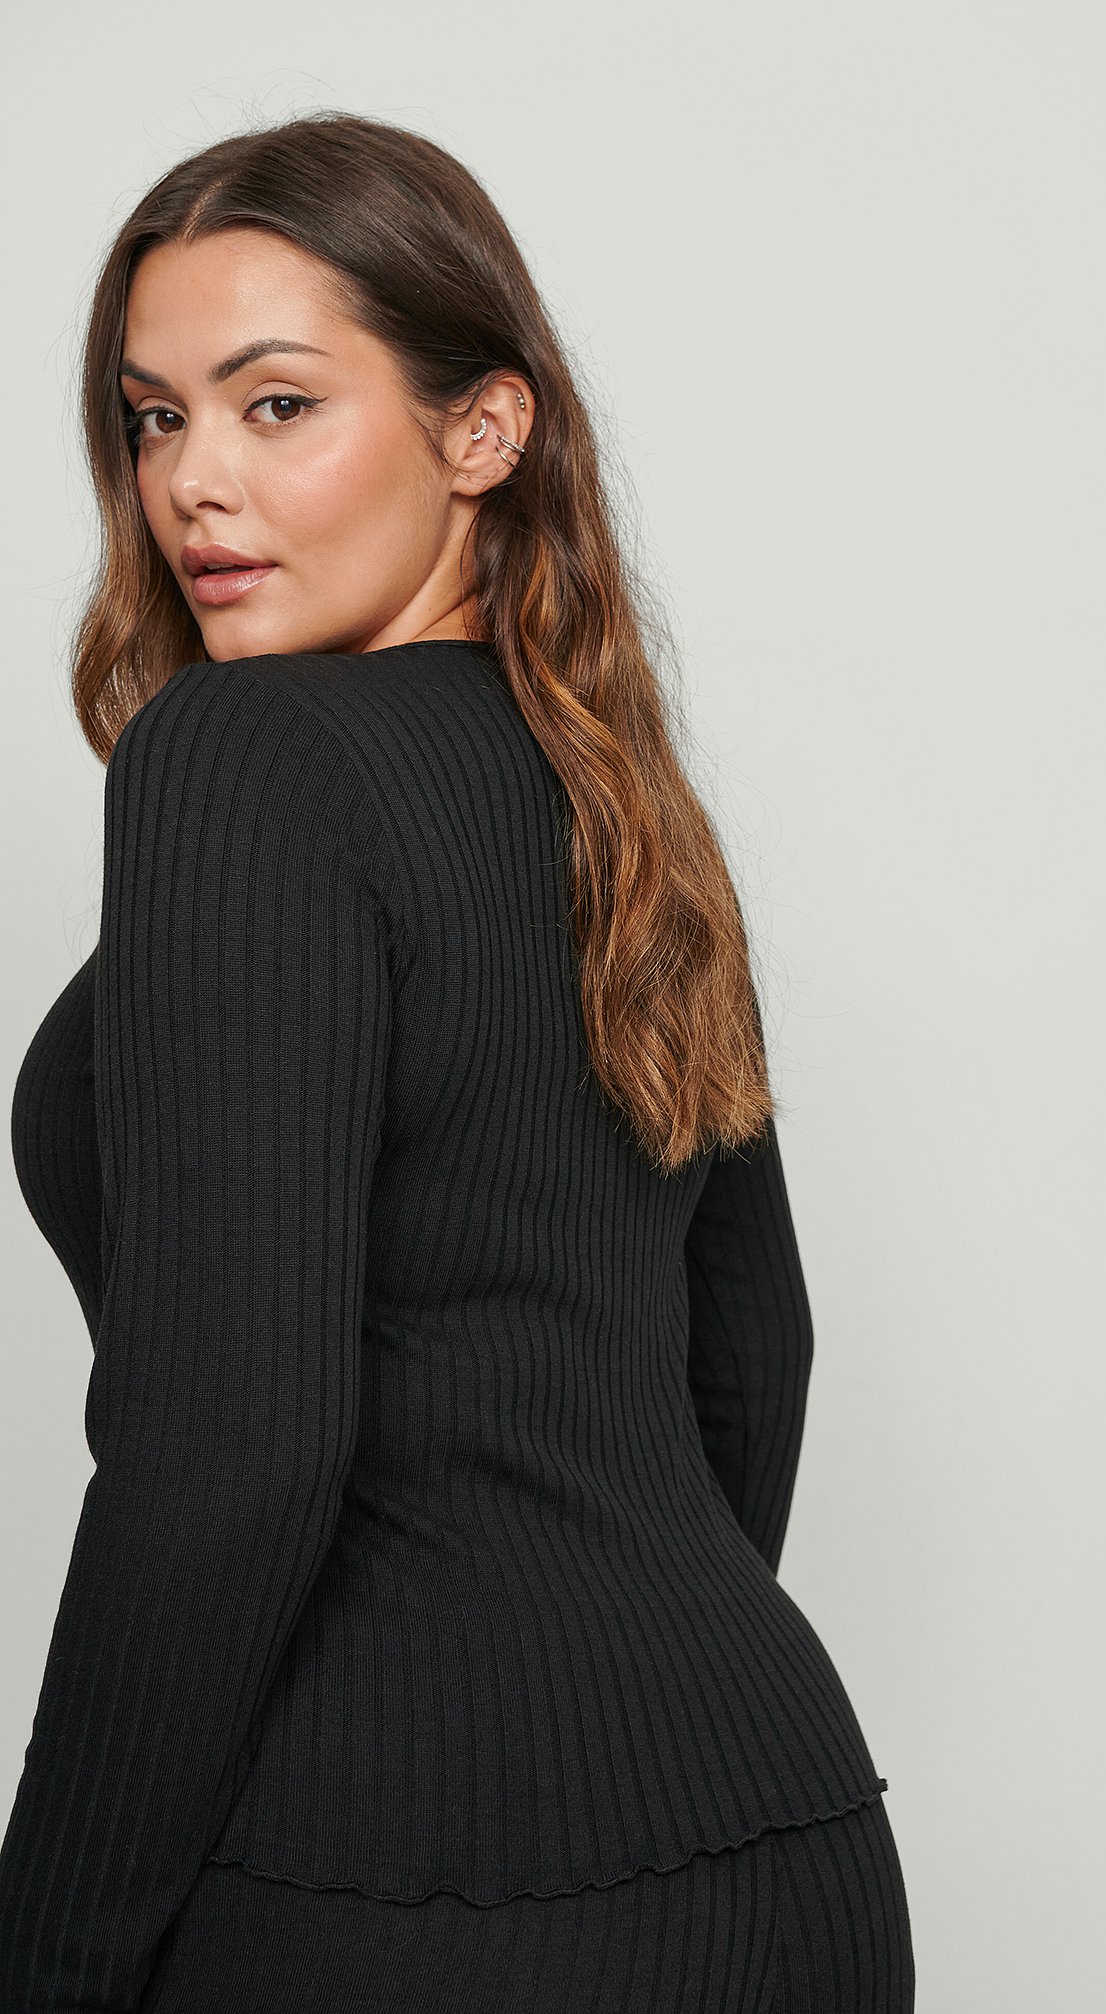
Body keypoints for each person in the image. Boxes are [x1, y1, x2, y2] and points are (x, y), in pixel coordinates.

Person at [0, 110, 915, 2012]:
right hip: (784, 1842)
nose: (192, 483)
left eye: (276, 405)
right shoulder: (620, 800)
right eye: (154, 417)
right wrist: (614, 1704)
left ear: (481, 431)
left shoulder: (241, 763)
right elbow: (755, 1352)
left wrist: (51, 1949)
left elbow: (226, 1448)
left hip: (406, 1895)